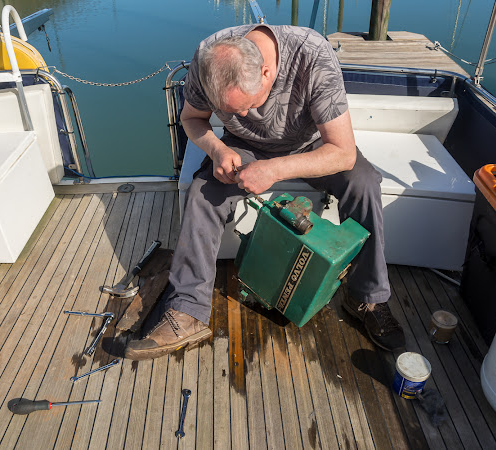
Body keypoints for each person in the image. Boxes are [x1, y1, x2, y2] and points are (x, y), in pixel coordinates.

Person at [125, 24, 404, 360]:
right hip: (243, 147)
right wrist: (215, 148)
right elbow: (192, 118)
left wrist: (274, 170)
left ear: (267, 72)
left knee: (364, 182)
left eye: (246, 105)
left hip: (311, 144)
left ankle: (367, 296)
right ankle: (188, 309)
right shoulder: (207, 58)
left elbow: (342, 152)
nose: (243, 115)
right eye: (228, 111)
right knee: (201, 192)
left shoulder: (312, 54)